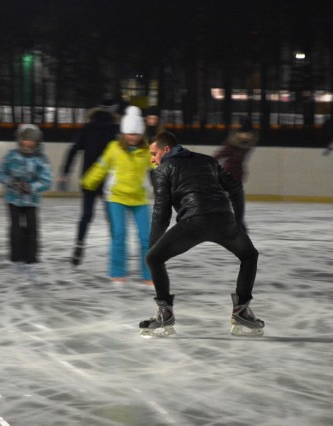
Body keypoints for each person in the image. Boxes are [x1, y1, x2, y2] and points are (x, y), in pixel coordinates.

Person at [139, 131, 264, 337]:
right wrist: (238, 222)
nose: (152, 159)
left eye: (154, 153)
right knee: (249, 256)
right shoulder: (207, 161)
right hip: (224, 220)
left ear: (166, 150)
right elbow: (235, 187)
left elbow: (161, 211)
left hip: (194, 223)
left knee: (153, 258)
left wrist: (154, 244)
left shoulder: (163, 169)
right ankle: (242, 310)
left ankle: (165, 312)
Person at [81, 105, 154, 284]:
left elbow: (161, 167)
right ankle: (117, 272)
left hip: (140, 199)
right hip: (116, 198)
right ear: (123, 132)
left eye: (136, 134)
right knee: (119, 234)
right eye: (129, 133)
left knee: (146, 238)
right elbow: (101, 166)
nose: (132, 137)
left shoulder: (147, 150)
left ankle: (148, 274)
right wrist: (88, 182)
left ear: (141, 134)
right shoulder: (114, 148)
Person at [58, 96, 120, 265]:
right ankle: (117, 251)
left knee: (86, 215)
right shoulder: (115, 130)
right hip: (108, 179)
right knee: (112, 217)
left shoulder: (88, 127)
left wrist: (65, 171)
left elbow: (74, 149)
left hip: (89, 178)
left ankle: (79, 245)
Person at [0, 124, 52, 278]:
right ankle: (17, 259)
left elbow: (46, 181)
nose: (28, 143)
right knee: (16, 230)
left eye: (31, 140)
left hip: (31, 200)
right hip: (13, 198)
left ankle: (31, 260)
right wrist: (11, 182)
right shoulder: (11, 156)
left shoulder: (41, 159)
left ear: (37, 142)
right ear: (20, 140)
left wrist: (30, 187)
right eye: (25, 139)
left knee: (32, 229)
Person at [213, 116, 258, 182]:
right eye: (243, 134)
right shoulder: (232, 144)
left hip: (237, 170)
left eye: (248, 134)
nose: (246, 136)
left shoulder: (245, 144)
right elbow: (222, 154)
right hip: (230, 170)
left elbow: (221, 154)